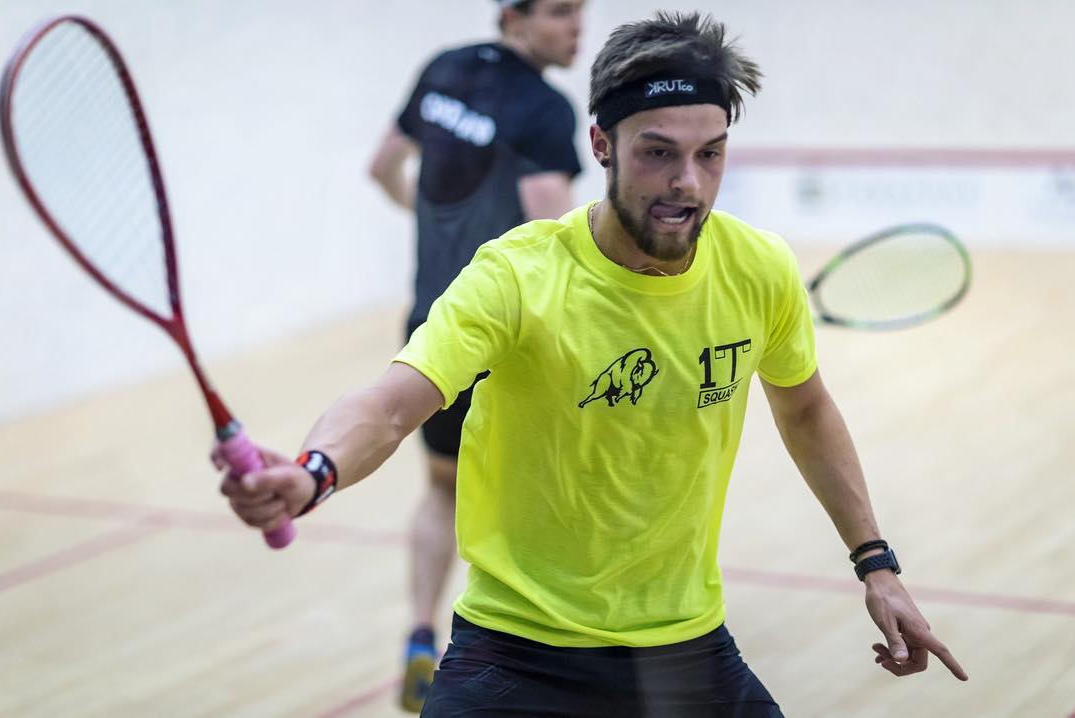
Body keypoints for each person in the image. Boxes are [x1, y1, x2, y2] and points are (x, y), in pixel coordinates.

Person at [220, 11, 968, 716]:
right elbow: (391, 404)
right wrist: (315, 471)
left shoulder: (758, 268)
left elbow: (804, 408)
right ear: (602, 143)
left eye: (710, 154)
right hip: (513, 655)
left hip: (686, 646)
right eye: (658, 152)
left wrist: (877, 564)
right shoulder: (517, 274)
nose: (688, 184)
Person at [365, 0, 584, 709]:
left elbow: (382, 168)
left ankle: (422, 637)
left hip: (431, 322)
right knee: (543, 500)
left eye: (579, 13)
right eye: (558, 13)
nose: (575, 28)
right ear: (513, 17)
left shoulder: (444, 69)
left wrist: (432, 225)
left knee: (441, 488)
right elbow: (552, 235)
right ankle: (527, 659)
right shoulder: (545, 110)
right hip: (510, 338)